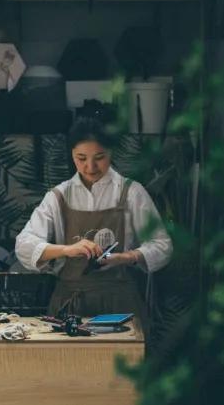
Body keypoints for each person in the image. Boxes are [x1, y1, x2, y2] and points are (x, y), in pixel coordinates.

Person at [15, 117, 173, 324]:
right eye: (81, 158)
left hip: (121, 304)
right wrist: (66, 250)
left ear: (111, 153)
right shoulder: (59, 196)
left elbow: (162, 246)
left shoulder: (131, 192)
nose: (90, 167)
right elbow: (24, 244)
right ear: (72, 155)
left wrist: (125, 257)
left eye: (99, 157)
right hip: (69, 304)